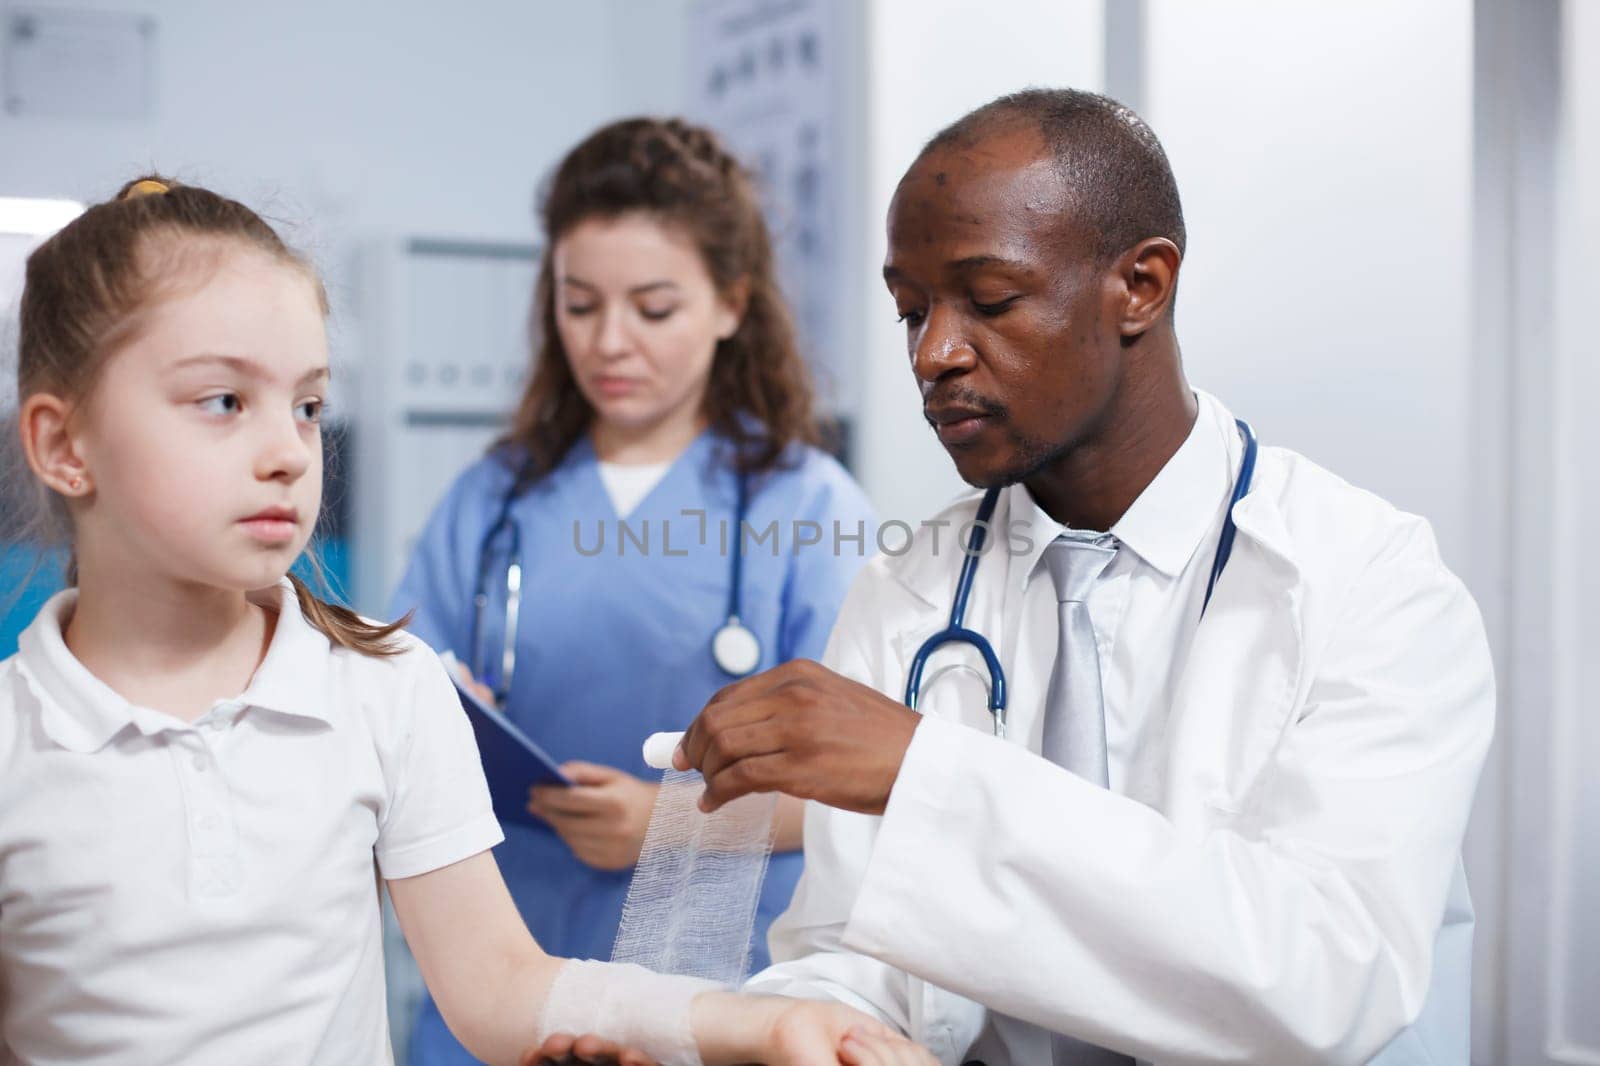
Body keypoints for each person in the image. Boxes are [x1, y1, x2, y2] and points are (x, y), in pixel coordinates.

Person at [0, 174, 928, 1066]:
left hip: (691, 961)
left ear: (729, 305)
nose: (288, 450)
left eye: (311, 406)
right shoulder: (19, 745)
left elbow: (500, 982)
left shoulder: (378, 687)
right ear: (61, 444)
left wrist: (760, 1019)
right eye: (223, 401)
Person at [671, 89, 1496, 1064]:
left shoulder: (1368, 581)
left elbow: (1329, 980)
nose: (933, 352)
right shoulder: (910, 588)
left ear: (1140, 286)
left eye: (987, 301)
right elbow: (847, 953)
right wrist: (776, 1026)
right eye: (910, 310)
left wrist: (925, 772)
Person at [390, 116, 877, 1066]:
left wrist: (672, 828)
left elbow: (868, 792)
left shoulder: (809, 507)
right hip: (498, 994)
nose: (610, 342)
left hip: (713, 995)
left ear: (732, 303)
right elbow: (398, 700)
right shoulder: (493, 499)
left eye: (653, 309)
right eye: (580, 305)